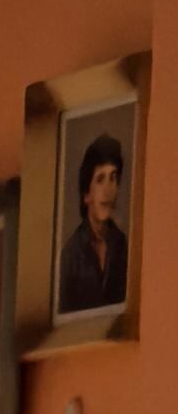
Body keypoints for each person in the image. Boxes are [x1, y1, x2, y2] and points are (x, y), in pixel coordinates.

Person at [58, 132, 129, 315]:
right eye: (100, 179)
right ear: (86, 194)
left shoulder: (124, 246)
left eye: (113, 178)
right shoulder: (71, 254)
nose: (108, 189)